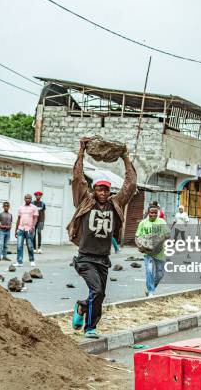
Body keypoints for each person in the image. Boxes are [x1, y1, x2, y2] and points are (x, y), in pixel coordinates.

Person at [69, 138, 136, 339]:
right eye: (99, 188)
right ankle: (90, 328)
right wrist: (81, 151)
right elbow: (78, 177)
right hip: (85, 258)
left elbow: (130, 184)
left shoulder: (115, 204)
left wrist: (125, 157)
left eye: (106, 189)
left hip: (103, 259)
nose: (103, 192)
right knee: (97, 291)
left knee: (99, 295)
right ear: (94, 189)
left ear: (109, 191)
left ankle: (82, 307)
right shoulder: (84, 201)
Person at [136, 206, 169, 296]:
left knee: (160, 275)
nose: (153, 214)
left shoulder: (162, 222)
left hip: (160, 252)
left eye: (155, 213)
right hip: (148, 252)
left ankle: (151, 287)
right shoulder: (143, 223)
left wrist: (159, 240)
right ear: (148, 213)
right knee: (149, 270)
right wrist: (140, 246)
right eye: (151, 212)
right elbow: (137, 236)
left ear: (157, 213)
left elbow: (168, 234)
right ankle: (151, 291)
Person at [14, 194, 38, 267]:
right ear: (24, 199)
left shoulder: (34, 208)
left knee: (30, 246)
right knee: (19, 245)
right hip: (20, 228)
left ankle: (32, 260)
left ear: (31, 199)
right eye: (26, 198)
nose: (28, 199)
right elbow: (18, 219)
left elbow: (35, 218)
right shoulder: (20, 208)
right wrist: (16, 229)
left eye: (29, 198)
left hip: (29, 229)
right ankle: (19, 261)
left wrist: (33, 227)